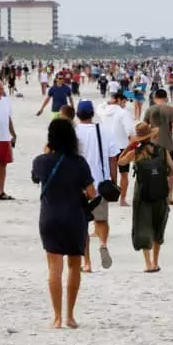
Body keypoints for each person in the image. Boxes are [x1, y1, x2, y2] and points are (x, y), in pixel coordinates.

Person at [31, 117, 97, 329]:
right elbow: (91, 192)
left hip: (50, 217)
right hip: (74, 217)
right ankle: (70, 315)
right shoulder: (79, 163)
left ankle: (57, 317)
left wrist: (46, 151)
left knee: (54, 268)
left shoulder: (41, 161)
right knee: (74, 266)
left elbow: (35, 178)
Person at [116, 122, 173, 272]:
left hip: (142, 194)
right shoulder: (162, 151)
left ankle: (148, 264)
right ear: (151, 135)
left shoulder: (135, 153)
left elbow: (120, 162)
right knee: (158, 226)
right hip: (160, 193)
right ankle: (156, 262)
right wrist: (160, 174)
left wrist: (129, 147)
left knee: (143, 226)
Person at [73, 100, 118, 272]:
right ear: (92, 114)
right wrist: (113, 180)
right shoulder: (104, 130)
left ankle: (87, 262)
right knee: (101, 219)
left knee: (82, 223)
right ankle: (103, 243)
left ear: (78, 115)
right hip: (100, 182)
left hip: (80, 184)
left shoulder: (75, 132)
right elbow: (113, 157)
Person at [144, 89, 173, 204]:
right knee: (170, 171)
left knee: (153, 169)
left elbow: (144, 126)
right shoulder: (171, 110)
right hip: (168, 144)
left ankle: (154, 194)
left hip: (153, 145)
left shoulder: (150, 110)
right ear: (166, 97)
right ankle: (169, 196)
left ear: (155, 98)